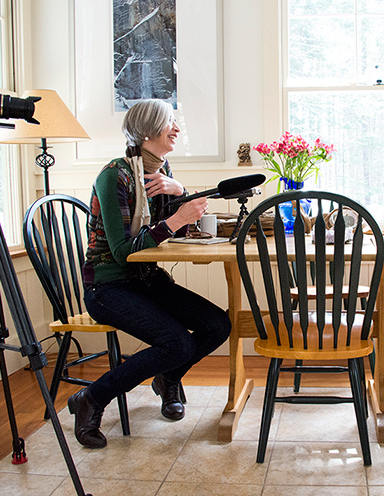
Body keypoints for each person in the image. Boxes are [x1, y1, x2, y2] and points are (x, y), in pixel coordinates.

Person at [69, 99, 231, 449]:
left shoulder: (159, 173)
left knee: (218, 325)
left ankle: (168, 377)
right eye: (169, 122)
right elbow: (124, 252)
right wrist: (175, 218)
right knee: (177, 342)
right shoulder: (116, 176)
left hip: (145, 281)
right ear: (145, 132)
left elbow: (182, 232)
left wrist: (179, 192)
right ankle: (92, 398)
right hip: (108, 286)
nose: (176, 128)